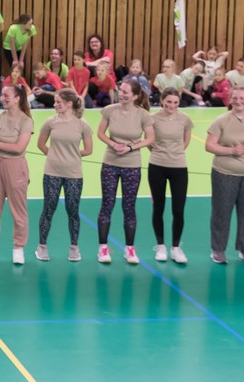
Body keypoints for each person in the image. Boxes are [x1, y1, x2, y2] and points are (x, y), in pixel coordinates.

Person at [205, 87, 244, 266]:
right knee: (221, 212)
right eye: (235, 98)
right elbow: (209, 145)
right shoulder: (221, 121)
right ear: (230, 100)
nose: (239, 101)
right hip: (225, 174)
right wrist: (232, 151)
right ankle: (218, 250)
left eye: (242, 98)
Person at [95, 79, 155, 265]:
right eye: (120, 90)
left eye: (126, 92)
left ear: (135, 96)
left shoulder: (143, 115)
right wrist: (113, 144)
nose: (121, 94)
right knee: (107, 204)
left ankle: (130, 249)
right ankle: (103, 248)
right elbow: (100, 133)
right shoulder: (109, 110)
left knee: (129, 207)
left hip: (132, 165)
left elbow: (150, 139)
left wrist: (130, 148)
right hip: (110, 164)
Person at [36, 90, 91, 262]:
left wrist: (71, 154)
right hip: (52, 172)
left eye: (58, 102)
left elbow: (88, 150)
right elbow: (41, 144)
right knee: (48, 209)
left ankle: (74, 248)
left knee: (73, 211)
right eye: (55, 101)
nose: (55, 105)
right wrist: (54, 156)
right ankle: (42, 247)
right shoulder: (50, 122)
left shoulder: (82, 125)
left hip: (74, 174)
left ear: (69, 104)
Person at [0, 85, 33, 265]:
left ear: (17, 99)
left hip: (16, 167)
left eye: (6, 95)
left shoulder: (26, 121)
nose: (2, 98)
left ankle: (18, 249)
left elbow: (19, 147)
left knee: (19, 212)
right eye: (2, 95)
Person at [148, 91, 193, 265]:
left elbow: (186, 140)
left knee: (178, 210)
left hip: (179, 167)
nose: (172, 105)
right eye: (168, 101)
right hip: (157, 166)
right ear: (161, 100)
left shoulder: (185, 119)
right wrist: (160, 153)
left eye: (175, 102)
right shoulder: (153, 119)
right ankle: (161, 247)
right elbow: (148, 140)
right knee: (158, 208)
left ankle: (175, 248)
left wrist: (176, 152)